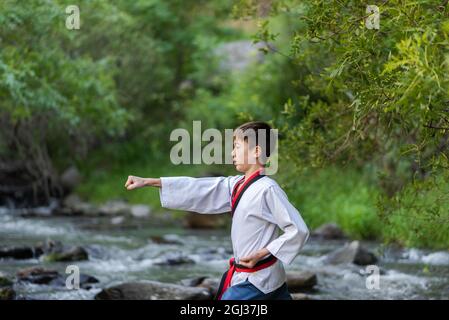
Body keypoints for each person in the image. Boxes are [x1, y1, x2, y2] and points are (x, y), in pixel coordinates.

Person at [124, 121, 310, 300]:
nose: (232, 153)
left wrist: (260, 254)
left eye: (237, 146)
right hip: (266, 280)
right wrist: (149, 182)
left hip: (257, 279)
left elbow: (298, 230)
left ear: (256, 151)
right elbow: (198, 188)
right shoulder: (237, 184)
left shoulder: (268, 189)